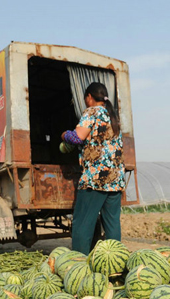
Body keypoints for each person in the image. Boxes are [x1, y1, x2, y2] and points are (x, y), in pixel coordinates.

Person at [61, 82, 125, 255]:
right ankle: (115, 264)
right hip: (115, 179)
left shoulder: (92, 112)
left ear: (89, 97)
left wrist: (64, 135)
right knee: (112, 225)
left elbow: (77, 138)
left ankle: (78, 265)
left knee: (82, 223)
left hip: (95, 179)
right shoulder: (113, 117)